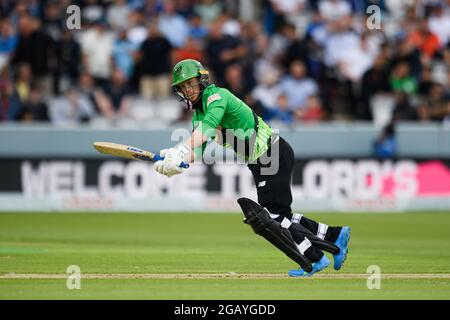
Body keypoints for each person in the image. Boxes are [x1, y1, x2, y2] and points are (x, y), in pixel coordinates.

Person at [153, 59, 351, 277]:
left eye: (190, 83)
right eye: (181, 87)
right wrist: (176, 164)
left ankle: (316, 258)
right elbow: (198, 151)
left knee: (271, 217)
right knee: (282, 215)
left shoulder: (217, 97)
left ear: (202, 79)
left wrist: (180, 149)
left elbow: (207, 128)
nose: (187, 90)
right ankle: (335, 235)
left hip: (272, 153)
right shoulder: (198, 115)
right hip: (261, 161)